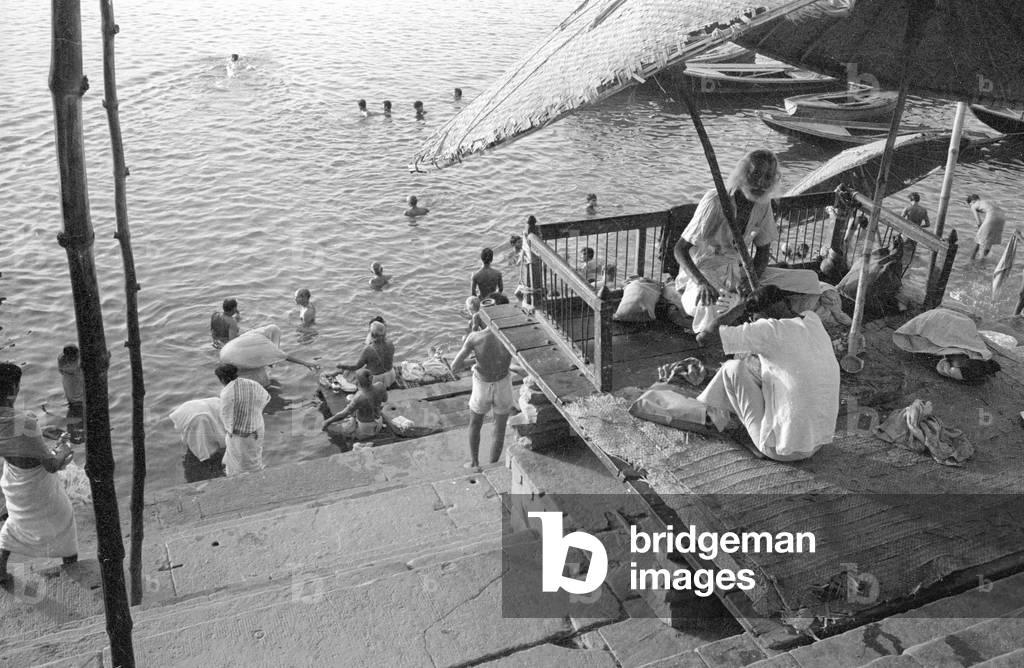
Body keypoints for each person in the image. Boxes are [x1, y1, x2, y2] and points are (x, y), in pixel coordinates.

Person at [672, 149, 823, 342]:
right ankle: (711, 330)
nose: (761, 183)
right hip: (705, 273)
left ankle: (762, 317)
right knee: (711, 307)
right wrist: (701, 283)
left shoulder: (763, 204)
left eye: (768, 177)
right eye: (755, 174)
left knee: (810, 281)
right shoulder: (716, 200)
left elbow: (763, 251)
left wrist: (752, 281)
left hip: (738, 272)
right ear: (742, 175)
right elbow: (680, 249)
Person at [696, 311, 839, 461]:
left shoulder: (768, 329)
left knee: (732, 368)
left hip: (781, 451)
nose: (751, 321)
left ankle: (744, 431)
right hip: (817, 442)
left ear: (761, 314)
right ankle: (718, 412)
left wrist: (741, 306)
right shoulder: (812, 320)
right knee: (764, 373)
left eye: (753, 319)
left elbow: (704, 338)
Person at [0, 363, 78, 586]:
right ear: (13, 389)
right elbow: (51, 465)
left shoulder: (19, 422)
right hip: (36, 485)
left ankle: (1, 571)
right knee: (65, 521)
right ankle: (72, 568)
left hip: (13, 482)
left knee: (14, 525)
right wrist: (64, 448)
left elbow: (15, 444)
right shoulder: (24, 422)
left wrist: (38, 438)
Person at [450, 328, 524, 471]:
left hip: (482, 386)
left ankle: (474, 463)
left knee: (475, 424)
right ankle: (492, 465)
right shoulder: (509, 335)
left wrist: (475, 359)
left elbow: (455, 366)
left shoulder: (475, 337)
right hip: (503, 384)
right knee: (499, 429)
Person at [216, 363, 270, 476]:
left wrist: (230, 431)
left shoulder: (227, 393)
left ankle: (243, 477)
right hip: (258, 426)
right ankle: (258, 470)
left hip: (241, 434)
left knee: (241, 458)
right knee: (255, 452)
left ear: (222, 379)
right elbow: (265, 398)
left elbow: (226, 415)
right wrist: (253, 415)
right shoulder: (252, 383)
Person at [169, 397, 226, 482]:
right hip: (199, 414)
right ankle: (207, 461)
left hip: (191, 410)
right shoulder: (201, 419)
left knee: (199, 437)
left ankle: (204, 462)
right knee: (202, 441)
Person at [322, 369, 388, 440]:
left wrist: (328, 421)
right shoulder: (380, 385)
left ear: (358, 382)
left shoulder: (359, 397)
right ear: (371, 378)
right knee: (358, 410)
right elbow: (384, 399)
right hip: (379, 421)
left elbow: (344, 414)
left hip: (366, 428)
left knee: (337, 430)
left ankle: (358, 434)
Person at [337, 320, 397, 389]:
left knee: (348, 372)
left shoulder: (369, 349)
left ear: (372, 334)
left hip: (376, 380)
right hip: (391, 376)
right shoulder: (390, 343)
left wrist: (341, 365)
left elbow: (356, 366)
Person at [57, 344, 84, 444]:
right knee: (78, 401)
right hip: (75, 381)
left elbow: (60, 370)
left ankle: (74, 414)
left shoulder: (61, 359)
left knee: (73, 400)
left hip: (67, 380)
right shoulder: (78, 361)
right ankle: (77, 415)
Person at [966, 194, 1007, 260]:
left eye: (969, 205)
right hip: (1002, 217)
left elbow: (979, 222)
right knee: (989, 240)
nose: (970, 206)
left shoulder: (973, 205)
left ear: (973, 201)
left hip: (992, 215)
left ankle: (971, 259)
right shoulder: (987, 201)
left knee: (978, 238)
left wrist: (979, 230)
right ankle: (983, 258)